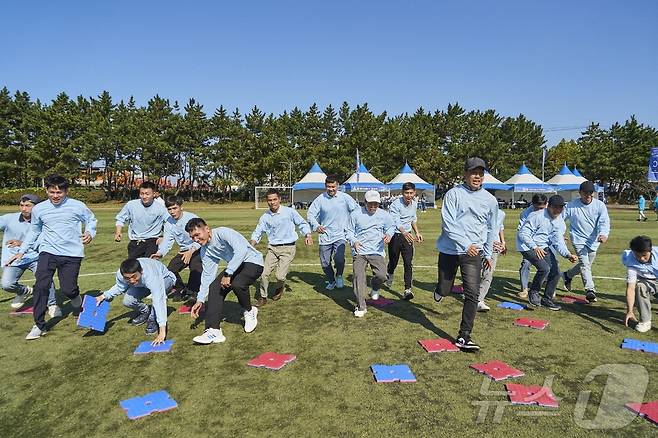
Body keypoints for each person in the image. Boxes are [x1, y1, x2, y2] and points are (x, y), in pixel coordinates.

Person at [6, 175, 97, 340]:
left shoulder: (78, 206)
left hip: (72, 253)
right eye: (52, 192)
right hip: (48, 252)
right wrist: (22, 250)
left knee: (69, 289)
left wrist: (90, 232)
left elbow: (91, 220)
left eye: (59, 192)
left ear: (66, 191)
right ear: (46, 191)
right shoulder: (39, 209)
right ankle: (39, 325)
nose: (55, 196)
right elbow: (34, 231)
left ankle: (78, 302)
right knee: (41, 286)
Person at [433, 157, 498, 351]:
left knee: (473, 293)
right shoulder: (453, 194)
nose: (477, 176)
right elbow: (448, 224)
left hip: (473, 252)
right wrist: (464, 243)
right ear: (465, 174)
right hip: (450, 249)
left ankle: (464, 336)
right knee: (445, 289)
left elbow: (491, 228)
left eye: (480, 173)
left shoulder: (490, 200)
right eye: (473, 172)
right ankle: (440, 290)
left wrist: (487, 253)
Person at [186, 218, 264, 345]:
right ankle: (213, 330)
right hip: (235, 267)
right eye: (192, 237)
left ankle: (249, 311)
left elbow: (241, 250)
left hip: (253, 262)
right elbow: (207, 274)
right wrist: (200, 299)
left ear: (207, 229)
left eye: (197, 235)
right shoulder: (205, 250)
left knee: (237, 284)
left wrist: (228, 273)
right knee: (214, 287)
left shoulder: (223, 233)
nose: (195, 239)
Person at [250, 188, 312, 307]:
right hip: (272, 249)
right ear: (267, 201)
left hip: (288, 248)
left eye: (274, 199)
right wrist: (252, 243)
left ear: (279, 199)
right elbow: (258, 231)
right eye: (269, 200)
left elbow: (302, 223)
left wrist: (307, 235)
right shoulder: (265, 217)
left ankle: (279, 287)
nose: (272, 202)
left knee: (280, 276)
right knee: (264, 274)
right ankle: (263, 297)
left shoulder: (290, 212)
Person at [517, 195, 578, 311]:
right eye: (555, 207)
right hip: (526, 246)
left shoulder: (560, 221)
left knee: (556, 272)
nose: (558, 210)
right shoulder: (536, 216)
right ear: (548, 206)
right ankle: (533, 293)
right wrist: (534, 247)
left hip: (543, 246)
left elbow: (558, 240)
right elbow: (522, 234)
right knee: (544, 269)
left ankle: (547, 299)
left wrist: (567, 254)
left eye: (560, 208)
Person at [1, 195, 59, 317]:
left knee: (45, 277)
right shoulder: (9, 219)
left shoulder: (44, 222)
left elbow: (46, 242)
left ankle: (52, 304)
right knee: (7, 284)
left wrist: (21, 243)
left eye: (27, 206)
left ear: (36, 207)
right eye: (21, 205)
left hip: (36, 256)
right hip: (14, 259)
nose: (23, 208)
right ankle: (25, 291)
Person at [95, 258, 175, 344]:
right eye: (128, 278)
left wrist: (162, 332)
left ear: (141, 271)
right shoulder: (121, 274)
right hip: (142, 285)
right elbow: (119, 287)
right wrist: (103, 296)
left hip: (165, 279)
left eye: (134, 276)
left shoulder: (151, 275)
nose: (132, 280)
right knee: (128, 301)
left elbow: (159, 299)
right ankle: (145, 311)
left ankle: (153, 318)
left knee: (156, 300)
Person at [346, 190, 395, 317]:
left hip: (376, 251)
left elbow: (391, 227)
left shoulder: (384, 215)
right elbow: (348, 231)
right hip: (360, 251)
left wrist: (388, 235)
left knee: (382, 276)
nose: (373, 206)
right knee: (358, 277)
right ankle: (361, 306)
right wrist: (354, 241)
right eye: (370, 204)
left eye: (376, 204)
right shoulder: (355, 214)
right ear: (365, 202)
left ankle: (375, 286)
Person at [561, 180, 611, 303]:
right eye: (585, 193)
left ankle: (567, 275)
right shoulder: (571, 205)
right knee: (584, 264)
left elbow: (604, 221)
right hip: (578, 239)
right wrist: (560, 234)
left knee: (587, 264)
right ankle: (590, 290)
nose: (588, 196)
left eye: (590, 193)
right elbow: (560, 220)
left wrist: (603, 234)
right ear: (580, 193)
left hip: (594, 240)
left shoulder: (600, 205)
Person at [307, 175, 359, 290]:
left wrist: (353, 225)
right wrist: (316, 226)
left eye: (333, 186)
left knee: (339, 259)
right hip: (325, 235)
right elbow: (310, 214)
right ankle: (331, 280)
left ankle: (339, 275)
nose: (331, 189)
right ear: (325, 186)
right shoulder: (320, 199)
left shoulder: (345, 198)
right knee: (325, 263)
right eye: (328, 187)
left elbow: (356, 211)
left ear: (338, 186)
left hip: (340, 235)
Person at [150, 195, 202, 302]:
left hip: (198, 249)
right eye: (169, 209)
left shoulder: (192, 218)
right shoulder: (169, 222)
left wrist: (191, 251)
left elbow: (201, 239)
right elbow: (167, 240)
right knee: (171, 270)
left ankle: (193, 293)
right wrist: (160, 253)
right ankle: (180, 288)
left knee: (195, 267)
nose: (172, 211)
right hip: (183, 251)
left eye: (175, 208)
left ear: (181, 207)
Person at [385, 182, 424, 300]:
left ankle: (407, 290)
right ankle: (390, 273)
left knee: (408, 262)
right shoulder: (395, 204)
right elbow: (396, 221)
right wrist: (404, 232)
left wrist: (417, 232)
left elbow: (413, 219)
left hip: (408, 236)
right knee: (394, 261)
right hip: (396, 236)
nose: (409, 195)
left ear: (414, 193)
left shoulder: (414, 204)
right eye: (406, 193)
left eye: (411, 193)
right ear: (402, 193)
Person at [115, 181, 168, 258]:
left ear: (154, 194)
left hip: (152, 241)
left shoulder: (161, 208)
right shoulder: (131, 205)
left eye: (147, 194)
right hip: (135, 242)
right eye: (142, 194)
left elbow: (169, 224)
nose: (144, 196)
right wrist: (118, 232)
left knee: (149, 266)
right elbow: (120, 219)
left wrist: (164, 238)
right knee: (133, 268)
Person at [622, 235, 657, 333]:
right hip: (648, 283)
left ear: (650, 250)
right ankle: (645, 321)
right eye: (638, 255)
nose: (641, 258)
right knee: (640, 286)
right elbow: (631, 288)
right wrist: (630, 311)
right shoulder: (630, 259)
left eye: (644, 255)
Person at [517, 194, 548, 298]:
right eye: (537, 208)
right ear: (532, 204)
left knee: (550, 265)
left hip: (545, 243)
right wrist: (533, 246)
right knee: (526, 263)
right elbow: (522, 233)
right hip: (530, 245)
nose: (540, 210)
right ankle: (524, 289)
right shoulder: (525, 214)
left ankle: (547, 287)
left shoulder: (549, 210)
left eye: (542, 208)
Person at [477, 207, 506, 311]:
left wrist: (503, 242)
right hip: (479, 246)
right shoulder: (478, 211)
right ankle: (473, 296)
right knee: (476, 272)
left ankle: (479, 300)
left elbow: (500, 227)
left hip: (494, 247)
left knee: (488, 273)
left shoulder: (501, 213)